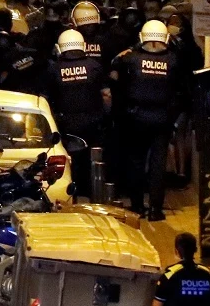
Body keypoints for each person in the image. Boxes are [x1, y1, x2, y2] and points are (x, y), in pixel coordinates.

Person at [110, 20, 186, 220]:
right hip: (162, 118)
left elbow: (114, 66)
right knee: (158, 164)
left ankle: (137, 206)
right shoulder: (174, 60)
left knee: (136, 162)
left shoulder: (131, 59)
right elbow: (181, 89)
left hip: (136, 117)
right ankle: (155, 209)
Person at [43, 29, 110, 197]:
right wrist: (106, 115)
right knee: (92, 160)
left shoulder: (54, 69)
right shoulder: (95, 66)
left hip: (65, 124)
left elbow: (44, 99)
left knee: (69, 160)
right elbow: (106, 95)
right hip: (93, 123)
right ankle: (92, 193)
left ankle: (70, 193)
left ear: (60, 48)